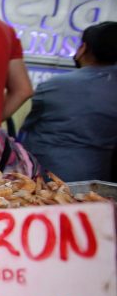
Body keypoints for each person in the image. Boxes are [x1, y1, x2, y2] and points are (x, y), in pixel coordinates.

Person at [21, 21, 117, 181]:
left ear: (83, 48)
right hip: (98, 175)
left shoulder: (55, 85)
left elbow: (26, 122)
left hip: (47, 174)